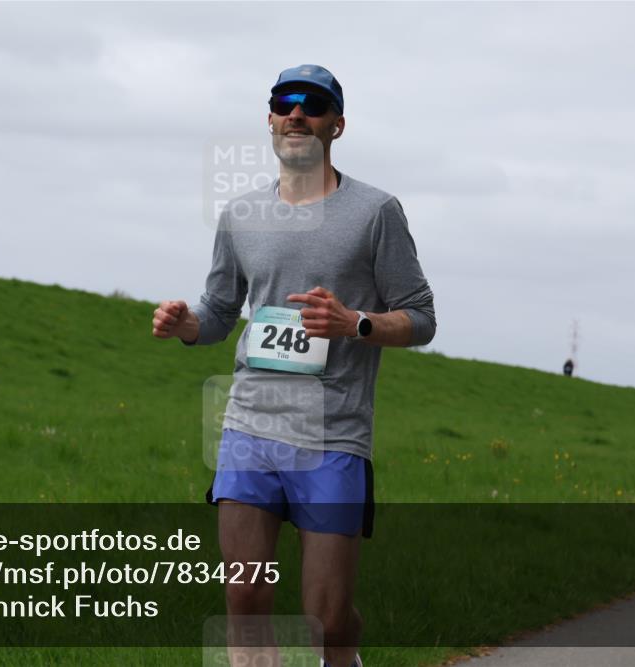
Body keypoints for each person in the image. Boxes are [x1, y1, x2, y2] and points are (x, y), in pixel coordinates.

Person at [152, 64, 436, 667]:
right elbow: (221, 310)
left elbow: (421, 316)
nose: (297, 113)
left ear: (337, 124)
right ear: (271, 118)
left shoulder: (376, 211)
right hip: (250, 428)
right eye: (285, 102)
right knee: (245, 596)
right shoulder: (240, 215)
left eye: (313, 104)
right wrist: (187, 326)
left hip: (333, 435)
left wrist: (355, 323)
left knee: (325, 618)